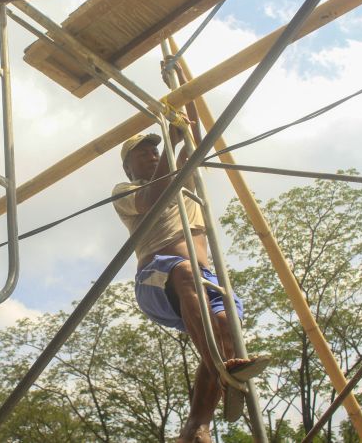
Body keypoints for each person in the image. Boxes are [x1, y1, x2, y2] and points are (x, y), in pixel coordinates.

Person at [112, 63, 268, 443]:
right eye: (142, 152)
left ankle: (196, 426)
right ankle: (221, 369)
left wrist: (181, 84)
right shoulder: (126, 191)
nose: (151, 154)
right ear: (128, 165)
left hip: (200, 279)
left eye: (155, 148)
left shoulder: (186, 183)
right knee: (184, 273)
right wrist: (175, 143)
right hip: (159, 276)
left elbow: (196, 132)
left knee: (226, 324)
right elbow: (154, 197)